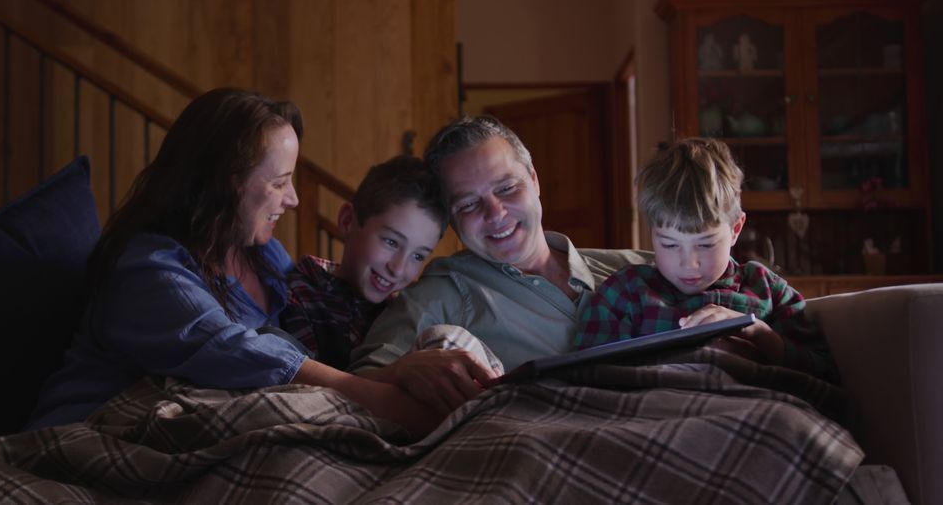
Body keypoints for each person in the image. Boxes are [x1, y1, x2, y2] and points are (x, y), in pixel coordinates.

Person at [28, 88, 440, 435]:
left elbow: (296, 358)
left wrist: (395, 372)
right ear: (227, 183)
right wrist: (384, 398)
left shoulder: (266, 257)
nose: (294, 199)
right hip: (97, 430)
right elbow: (233, 352)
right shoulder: (147, 269)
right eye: (280, 182)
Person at [349, 115, 652, 414]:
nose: (495, 213)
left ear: (534, 180)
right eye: (468, 205)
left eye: (507, 188)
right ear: (453, 222)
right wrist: (402, 370)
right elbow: (358, 381)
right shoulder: (445, 289)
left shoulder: (634, 266)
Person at [574, 137, 837, 382]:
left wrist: (760, 334)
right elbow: (585, 376)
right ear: (652, 233)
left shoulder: (766, 288)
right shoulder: (626, 292)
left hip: (749, 409)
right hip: (655, 410)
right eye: (669, 244)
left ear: (735, 230)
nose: (689, 263)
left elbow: (823, 371)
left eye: (705, 244)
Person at [279, 155, 447, 370]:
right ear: (348, 221)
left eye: (418, 256)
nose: (398, 269)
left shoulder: (402, 313)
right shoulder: (298, 294)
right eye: (391, 242)